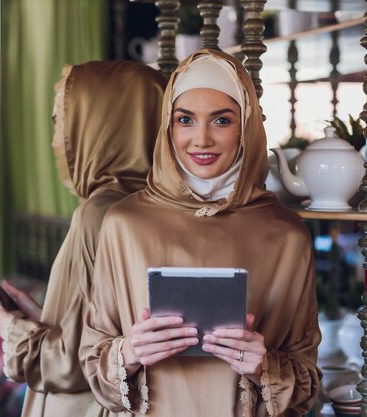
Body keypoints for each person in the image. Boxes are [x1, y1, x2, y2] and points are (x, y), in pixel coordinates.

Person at [79, 49, 321, 417]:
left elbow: (307, 382)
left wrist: (263, 366)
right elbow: (92, 359)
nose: (201, 139)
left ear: (247, 127)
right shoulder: (124, 223)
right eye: (185, 120)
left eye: (222, 120)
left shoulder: (286, 234)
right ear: (168, 127)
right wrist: (129, 352)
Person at [0, 60, 167, 417]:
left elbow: (74, 363)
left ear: (103, 127)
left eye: (62, 124)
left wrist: (0, 322)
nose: (56, 142)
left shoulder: (102, 212)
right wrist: (45, 315)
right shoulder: (156, 207)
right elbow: (103, 333)